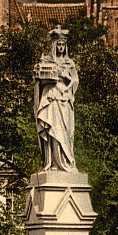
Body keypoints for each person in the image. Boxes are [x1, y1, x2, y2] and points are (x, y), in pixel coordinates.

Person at [33, 26, 79, 172]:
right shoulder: (46, 60)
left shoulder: (69, 63)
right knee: (52, 129)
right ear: (54, 45)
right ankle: (52, 162)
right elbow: (39, 80)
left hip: (64, 99)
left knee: (65, 131)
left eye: (63, 44)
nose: (60, 47)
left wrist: (66, 80)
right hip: (51, 97)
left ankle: (66, 161)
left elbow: (75, 81)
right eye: (58, 44)